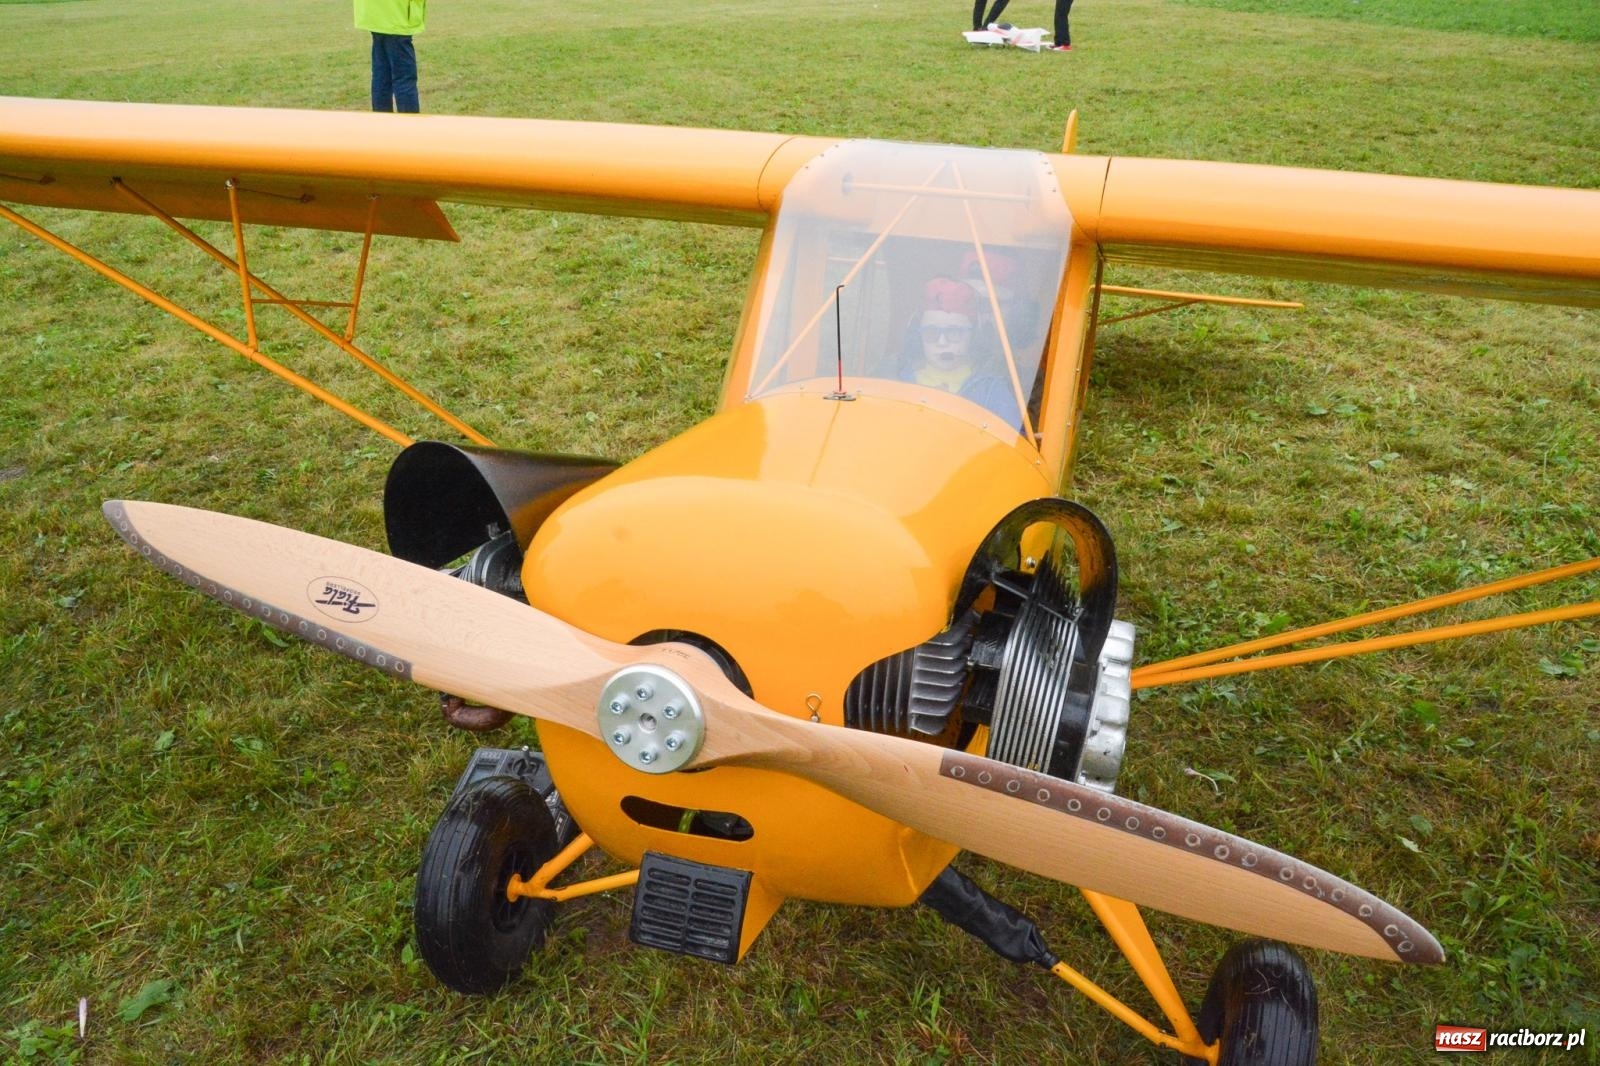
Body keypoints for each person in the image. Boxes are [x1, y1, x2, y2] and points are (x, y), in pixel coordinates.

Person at [905, 277, 1021, 427]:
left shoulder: (992, 391)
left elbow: (1012, 444)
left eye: (954, 332)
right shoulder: (896, 380)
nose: (942, 342)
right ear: (918, 335)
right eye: (931, 332)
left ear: (973, 336)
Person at [355, 0, 427, 113]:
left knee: (381, 76)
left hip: (375, 15)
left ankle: (382, 124)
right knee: (404, 78)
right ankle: (410, 126)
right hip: (397, 15)